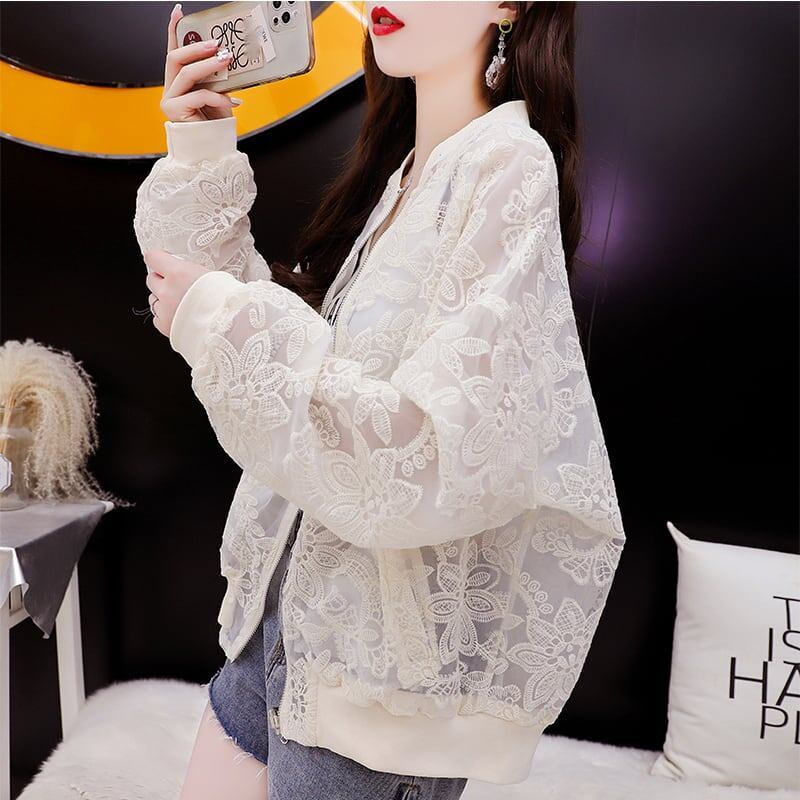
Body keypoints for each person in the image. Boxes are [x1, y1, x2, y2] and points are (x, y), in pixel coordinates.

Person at [133, 2, 627, 798]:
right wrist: (200, 144)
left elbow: (429, 451)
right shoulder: (403, 176)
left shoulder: (509, 163)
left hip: (372, 694)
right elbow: (302, 381)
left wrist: (220, 317)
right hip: (279, 635)